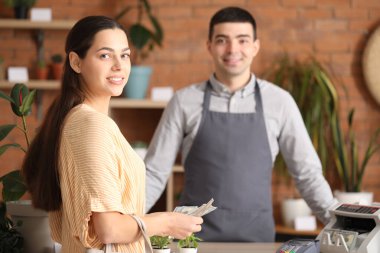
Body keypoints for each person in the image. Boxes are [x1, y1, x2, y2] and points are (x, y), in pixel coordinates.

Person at [145, 6, 337, 242]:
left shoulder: (280, 102)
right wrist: (126, 220)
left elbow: (307, 174)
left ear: (255, 47)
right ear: (209, 46)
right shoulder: (183, 101)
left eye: (242, 40)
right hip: (193, 241)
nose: (232, 49)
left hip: (257, 240)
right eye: (222, 40)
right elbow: (154, 173)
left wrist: (342, 224)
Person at [22, 16, 203, 253]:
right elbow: (109, 229)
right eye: (105, 55)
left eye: (125, 55)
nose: (119, 65)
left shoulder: (82, 120)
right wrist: (168, 222)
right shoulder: (90, 125)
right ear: (76, 62)